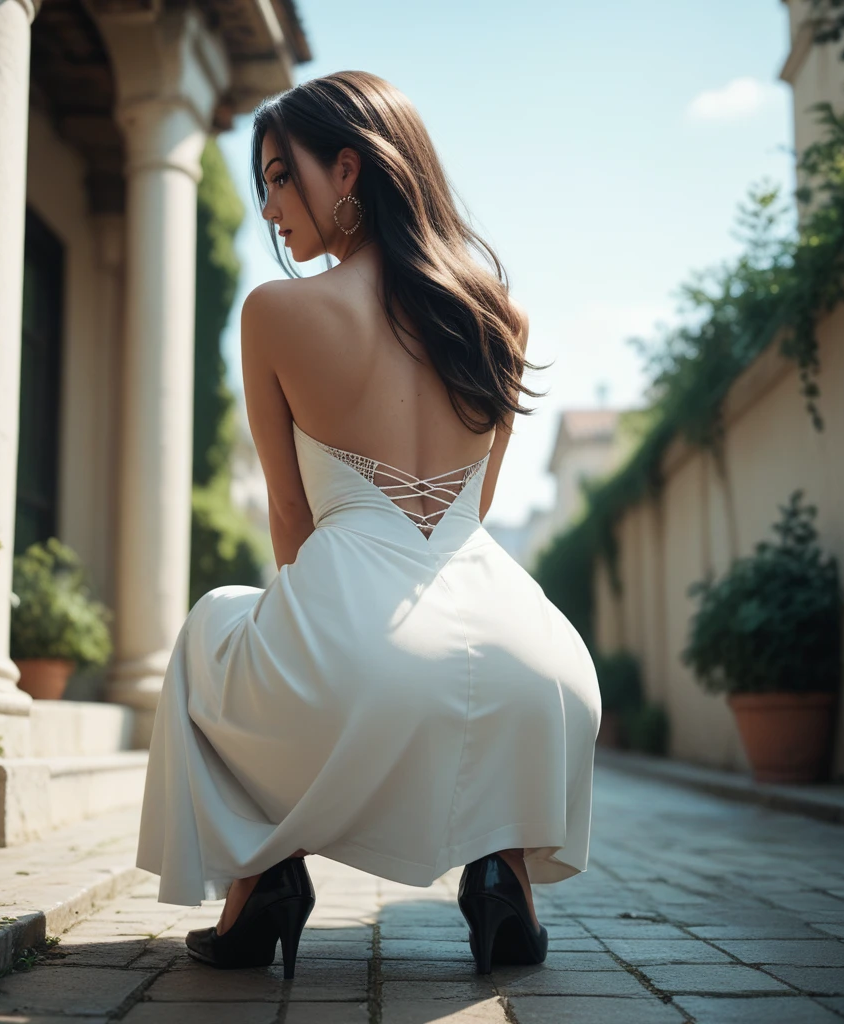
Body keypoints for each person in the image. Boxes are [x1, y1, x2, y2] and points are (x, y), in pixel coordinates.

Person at [135, 70, 602, 980]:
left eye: (279, 175)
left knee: (212, 632)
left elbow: (290, 515)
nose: (269, 205)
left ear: (347, 168)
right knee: (465, 681)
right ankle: (505, 883)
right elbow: (479, 507)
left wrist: (326, 660)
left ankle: (258, 887)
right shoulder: (498, 314)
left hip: (364, 624)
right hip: (537, 667)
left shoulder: (276, 313)